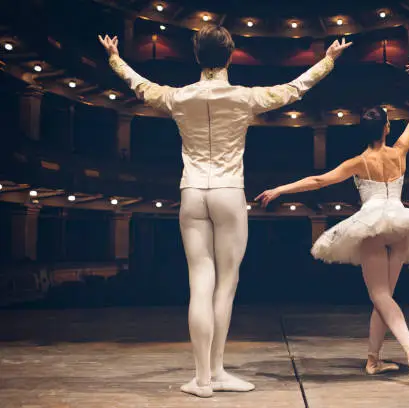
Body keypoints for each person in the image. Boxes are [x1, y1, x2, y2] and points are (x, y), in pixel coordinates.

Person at [98, 27, 352, 398]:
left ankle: (204, 379)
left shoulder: (178, 97)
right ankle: (214, 371)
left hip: (192, 192)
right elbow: (295, 88)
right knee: (225, 284)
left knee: (199, 282)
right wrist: (328, 60)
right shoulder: (244, 98)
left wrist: (115, 59)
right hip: (228, 192)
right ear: (230, 56)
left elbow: (139, 85)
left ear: (197, 57)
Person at [256, 59, 409, 388]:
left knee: (380, 296)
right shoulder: (400, 152)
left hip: (372, 224)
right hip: (401, 225)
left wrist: (280, 188)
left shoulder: (357, 162)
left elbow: (317, 180)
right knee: (386, 296)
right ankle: (373, 360)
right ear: (386, 128)